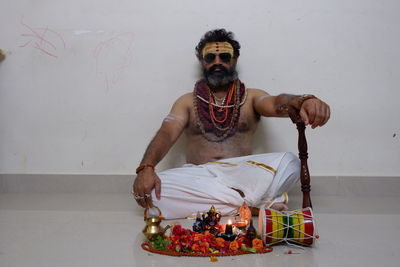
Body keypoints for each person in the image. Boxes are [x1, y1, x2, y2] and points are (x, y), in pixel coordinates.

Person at [132, 29, 330, 219]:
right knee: (155, 192)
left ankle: (230, 204)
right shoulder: (186, 101)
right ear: (202, 61)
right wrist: (146, 168)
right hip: (200, 176)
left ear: (234, 60)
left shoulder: (251, 97)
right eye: (210, 58)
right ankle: (252, 205)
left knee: (290, 162)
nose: (217, 62)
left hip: (243, 175)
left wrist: (303, 100)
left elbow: (278, 102)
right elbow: (166, 133)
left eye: (224, 57)